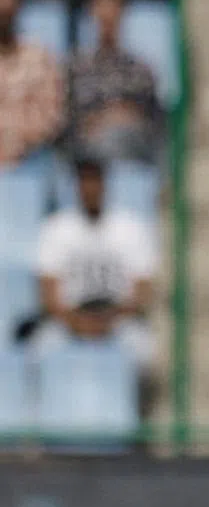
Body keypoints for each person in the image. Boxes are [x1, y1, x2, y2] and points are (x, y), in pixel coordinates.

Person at [33, 157, 158, 411]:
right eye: (84, 182)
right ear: (76, 186)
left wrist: (109, 320)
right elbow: (48, 292)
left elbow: (143, 290)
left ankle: (139, 426)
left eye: (95, 181)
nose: (90, 189)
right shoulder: (57, 228)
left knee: (147, 354)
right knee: (39, 352)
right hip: (70, 319)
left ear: (105, 185)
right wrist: (77, 322)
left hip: (117, 318)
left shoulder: (130, 227)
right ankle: (39, 430)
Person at [68, 0, 161, 164]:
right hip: (88, 166)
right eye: (101, 4)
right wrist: (112, 116)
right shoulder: (76, 69)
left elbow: (153, 124)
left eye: (113, 4)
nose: (107, 13)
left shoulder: (141, 71)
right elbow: (71, 126)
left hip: (133, 158)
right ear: (91, 11)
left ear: (123, 11)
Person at [0, 0, 64, 168]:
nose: (4, 7)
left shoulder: (40, 57)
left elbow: (51, 118)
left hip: (30, 159)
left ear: (19, 5)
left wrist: (16, 139)